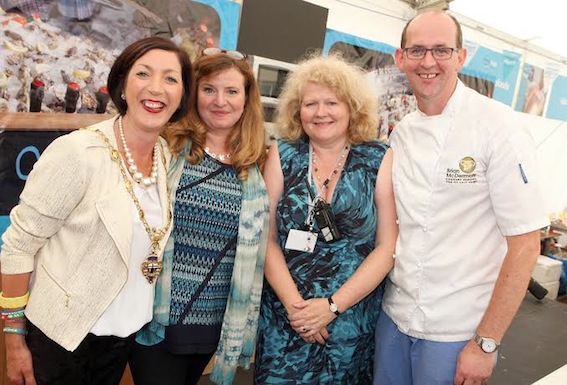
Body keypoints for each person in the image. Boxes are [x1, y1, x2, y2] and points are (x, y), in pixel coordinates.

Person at [0, 36, 193, 385]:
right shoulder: (79, 152)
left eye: (170, 78)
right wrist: (13, 340)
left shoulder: (163, 155)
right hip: (63, 340)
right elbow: (17, 247)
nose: (156, 88)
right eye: (143, 74)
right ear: (121, 85)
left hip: (122, 339)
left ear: (182, 95)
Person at [374, 10, 549, 385]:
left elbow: (525, 245)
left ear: (461, 57)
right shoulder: (402, 131)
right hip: (394, 317)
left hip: (457, 332)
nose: (428, 62)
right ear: (400, 58)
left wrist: (486, 343)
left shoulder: (498, 127)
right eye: (417, 50)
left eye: (441, 50)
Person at [254, 54, 398, 384]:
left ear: (351, 108)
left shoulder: (378, 159)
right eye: (310, 104)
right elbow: (265, 236)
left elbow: (387, 246)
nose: (320, 112)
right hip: (286, 320)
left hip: (350, 322)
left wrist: (332, 307)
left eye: (331, 102)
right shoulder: (283, 153)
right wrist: (296, 309)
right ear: (296, 110)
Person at [131, 47, 270, 385]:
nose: (220, 101)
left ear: (246, 98)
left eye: (231, 91)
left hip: (215, 320)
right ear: (193, 94)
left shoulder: (256, 165)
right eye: (209, 89)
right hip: (155, 315)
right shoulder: (166, 146)